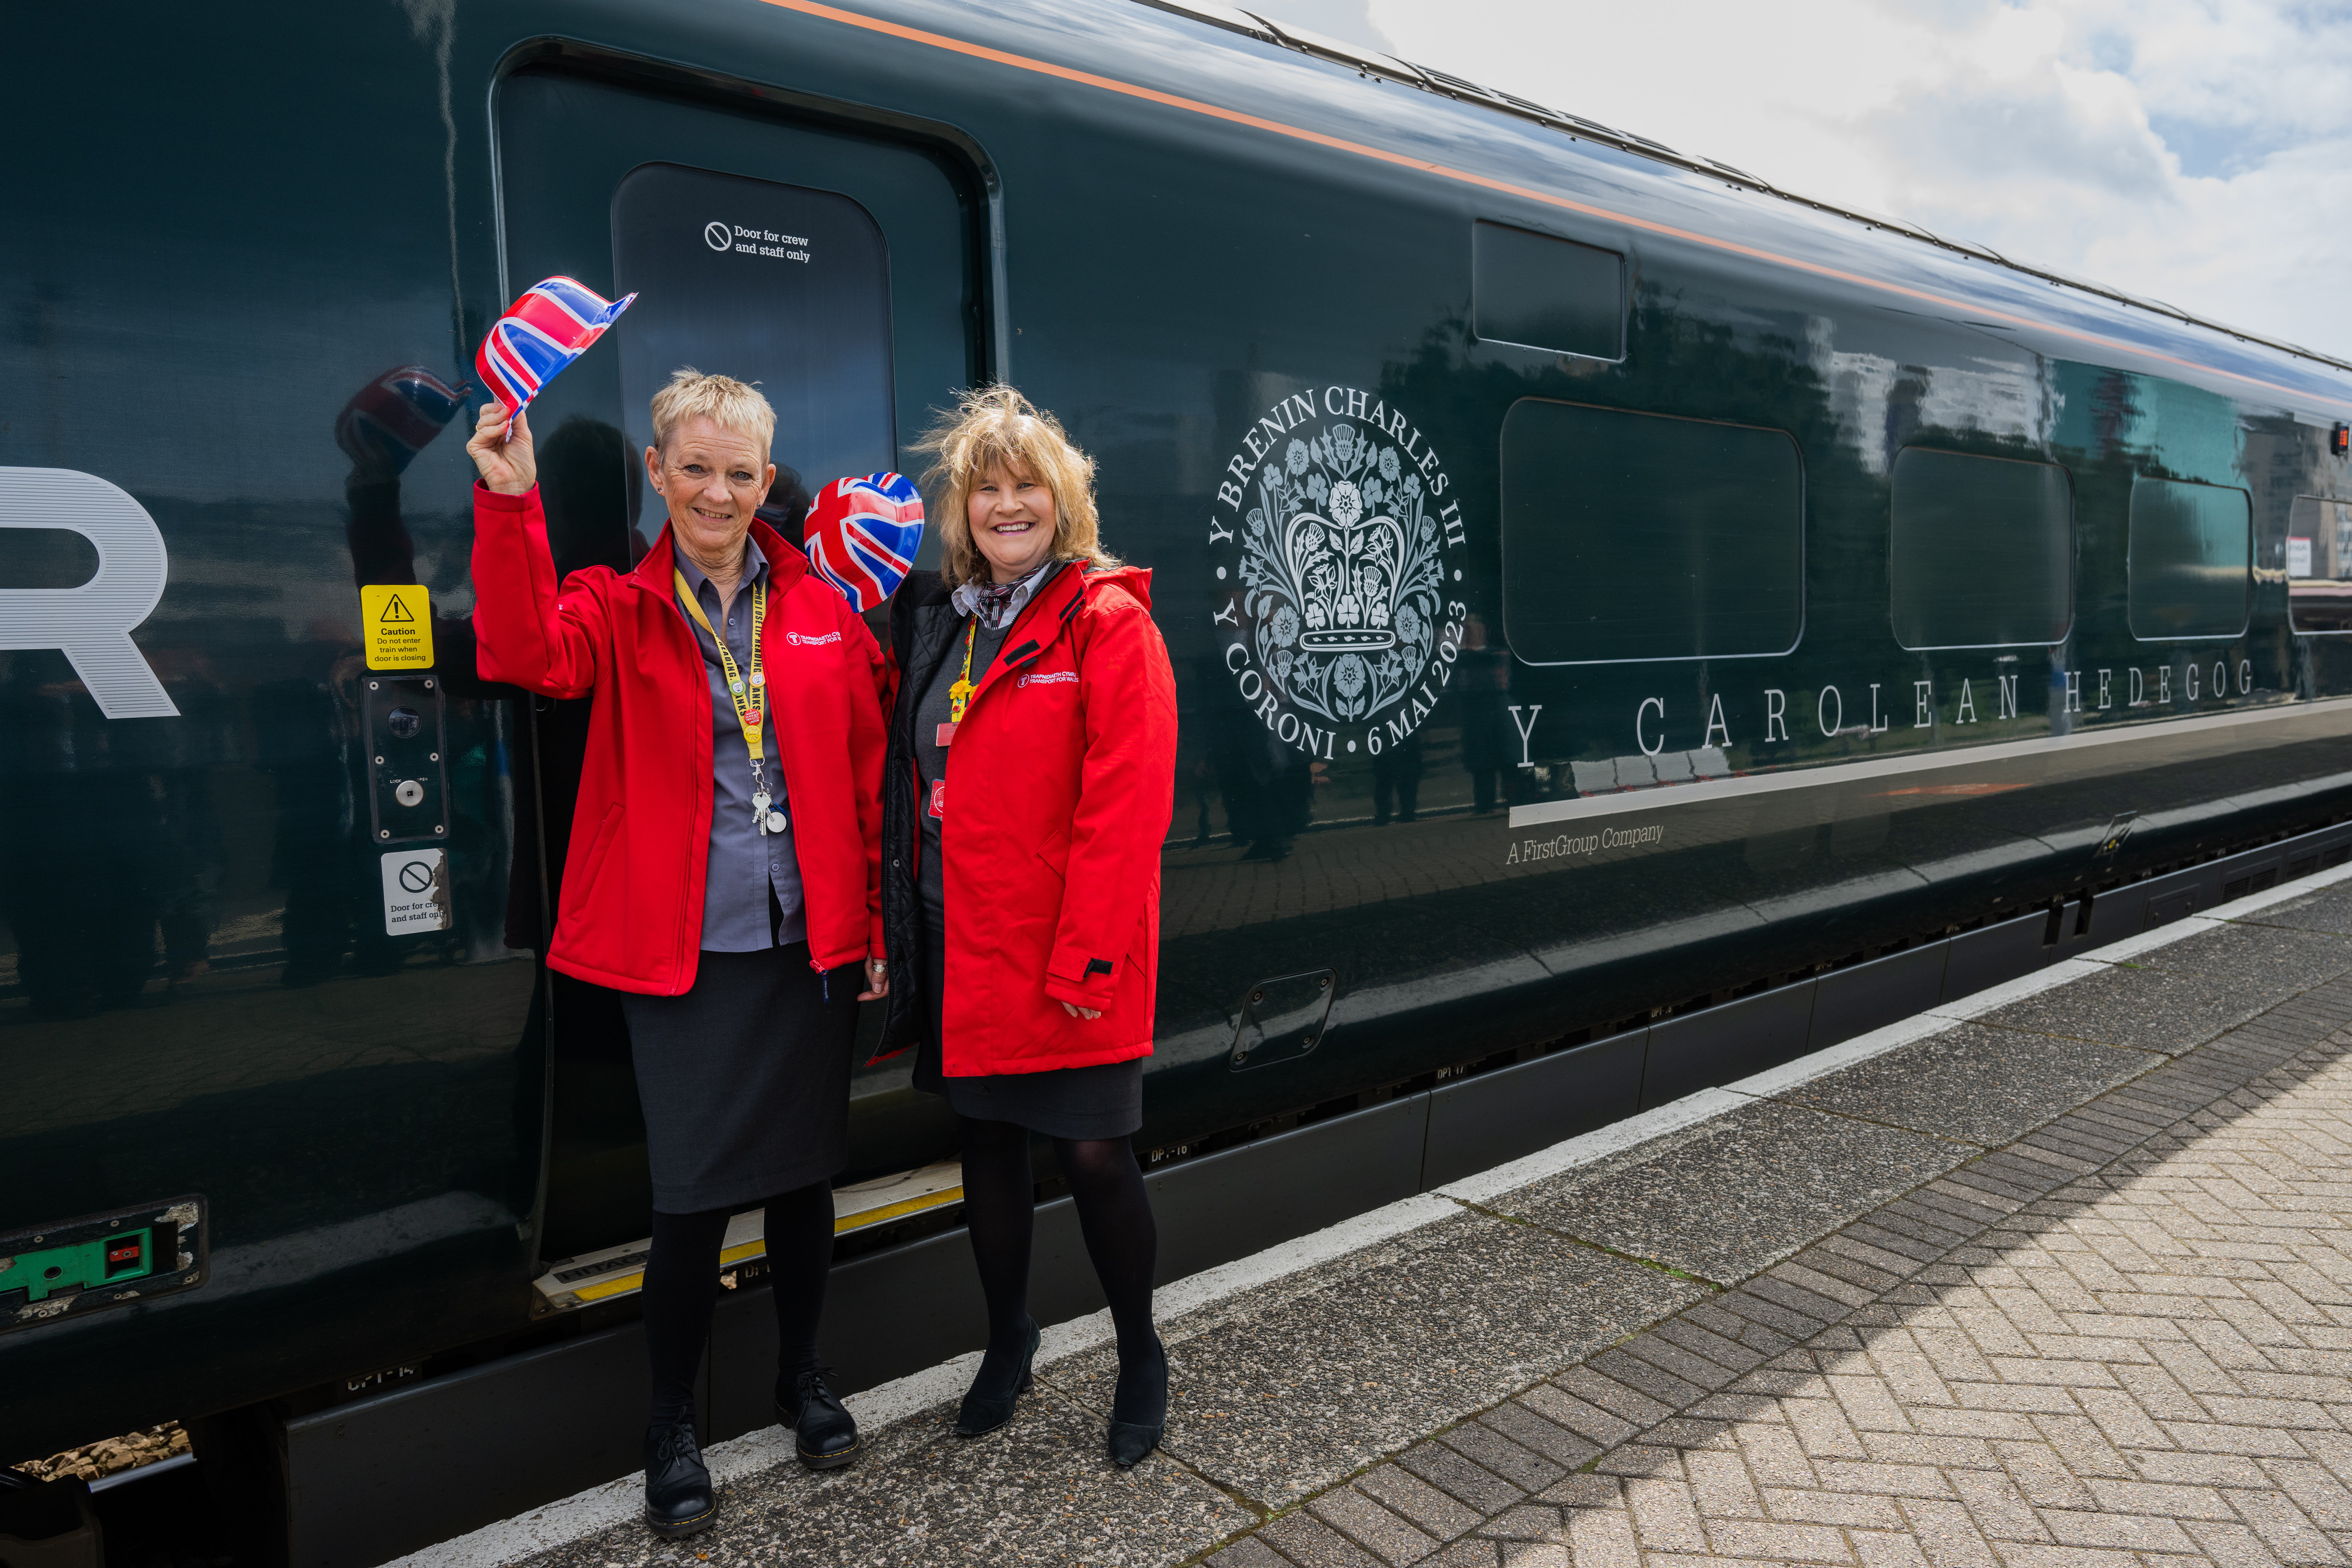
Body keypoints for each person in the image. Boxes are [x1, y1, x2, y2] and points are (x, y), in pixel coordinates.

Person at [466, 369, 889, 1539]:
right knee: (691, 1204)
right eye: (694, 467)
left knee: (806, 1181)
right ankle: (668, 1422)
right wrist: (511, 503)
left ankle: (800, 1376)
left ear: (767, 482)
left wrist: (874, 928)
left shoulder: (818, 602)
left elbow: (860, 764)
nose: (717, 489)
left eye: (740, 471)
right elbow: (520, 653)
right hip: (687, 952)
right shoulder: (616, 603)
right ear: (658, 472)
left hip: (805, 941)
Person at [877, 386, 1178, 1466]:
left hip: (1067, 947)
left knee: (1096, 1152)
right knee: (989, 1147)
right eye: (986, 489)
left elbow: (1127, 806)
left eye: (1027, 488)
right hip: (961, 938)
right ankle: (1009, 1337)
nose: (1007, 506)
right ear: (964, 511)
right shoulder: (944, 623)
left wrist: (1090, 953)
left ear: (1064, 502)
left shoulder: (1106, 622)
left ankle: (1140, 1348)